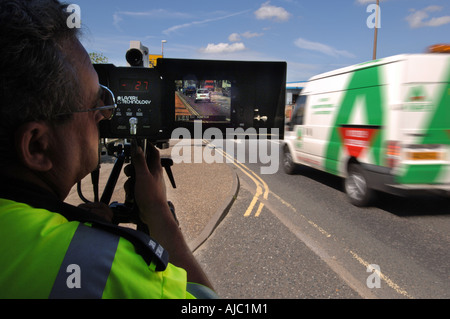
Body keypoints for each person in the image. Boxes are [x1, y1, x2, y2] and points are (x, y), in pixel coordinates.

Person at [0, 0, 216, 299]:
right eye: (95, 104)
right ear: (37, 146)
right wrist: (156, 212)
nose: (105, 114)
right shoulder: (105, 264)